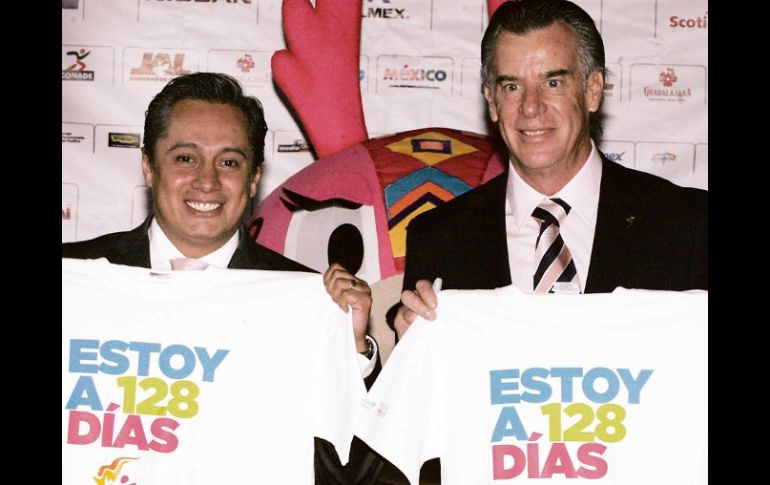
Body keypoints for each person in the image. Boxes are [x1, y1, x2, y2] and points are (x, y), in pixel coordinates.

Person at [62, 72, 383, 483]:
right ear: (148, 167)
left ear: (253, 180)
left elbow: (351, 475)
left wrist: (350, 350)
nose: (207, 181)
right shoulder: (74, 278)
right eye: (185, 158)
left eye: (229, 162)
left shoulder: (305, 302)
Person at [391, 0, 708, 338]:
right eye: (512, 87)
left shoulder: (689, 225)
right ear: (492, 101)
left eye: (552, 83)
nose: (530, 107)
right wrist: (404, 349)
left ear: (593, 90)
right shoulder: (439, 236)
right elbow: (418, 368)